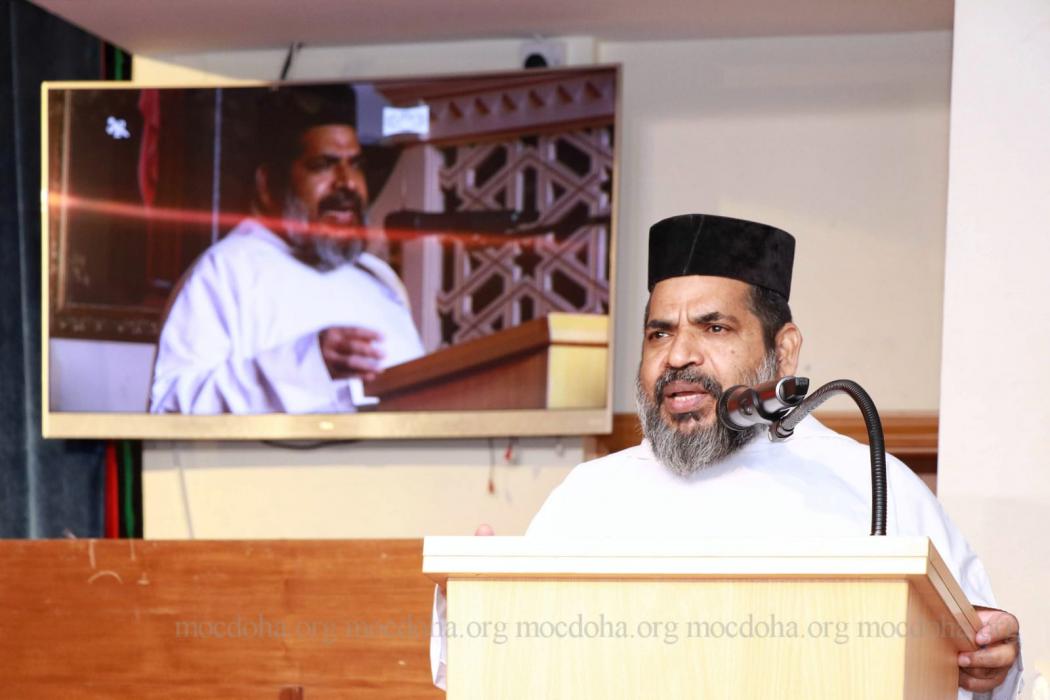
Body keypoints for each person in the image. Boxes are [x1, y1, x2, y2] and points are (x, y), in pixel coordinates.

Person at [431, 214, 1021, 698]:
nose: (677, 356)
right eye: (659, 333)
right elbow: (509, 674)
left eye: (714, 328)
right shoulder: (589, 496)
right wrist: (479, 613)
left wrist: (994, 664)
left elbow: (980, 661)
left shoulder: (868, 485)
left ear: (783, 352)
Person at [149, 86, 423, 414]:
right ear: (268, 184)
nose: (347, 183)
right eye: (323, 165)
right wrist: (307, 364)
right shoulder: (225, 272)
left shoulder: (378, 279)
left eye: (356, 164)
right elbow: (170, 412)